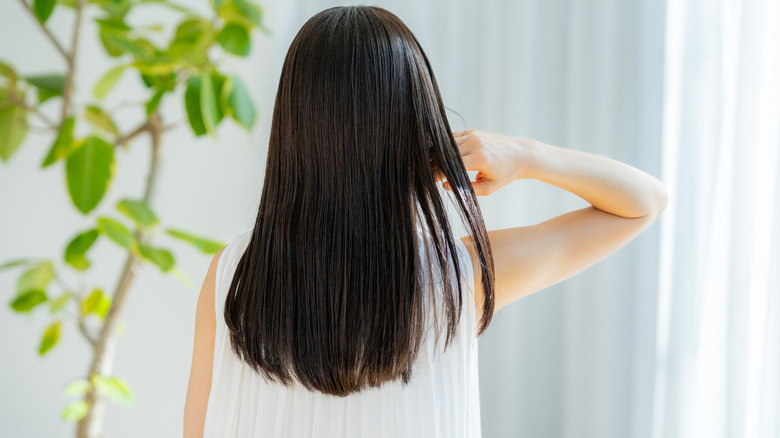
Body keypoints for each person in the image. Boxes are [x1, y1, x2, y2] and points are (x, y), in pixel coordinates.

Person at [183, 5, 668, 438]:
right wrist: (526, 155)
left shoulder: (232, 276)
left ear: (291, 132)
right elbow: (644, 201)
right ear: (417, 129)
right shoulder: (457, 277)